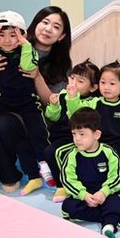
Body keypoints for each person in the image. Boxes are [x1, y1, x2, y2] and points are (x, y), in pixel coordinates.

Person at [0, 6, 72, 193]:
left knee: (4, 122)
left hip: (36, 113)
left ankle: (10, 176)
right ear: (34, 25)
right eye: (45, 22)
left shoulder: (61, 65)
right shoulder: (8, 45)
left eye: (56, 26)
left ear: (61, 36)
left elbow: (51, 103)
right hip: (7, 103)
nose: (48, 28)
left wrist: (37, 76)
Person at [0, 11, 52, 191]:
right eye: (2, 35)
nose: (7, 40)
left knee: (38, 130)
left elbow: (28, 66)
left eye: (13, 35)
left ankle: (44, 164)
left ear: (22, 35)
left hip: (27, 102)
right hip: (3, 101)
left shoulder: (27, 50)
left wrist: (25, 44)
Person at [59, 107, 120, 238]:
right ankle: (106, 216)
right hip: (84, 196)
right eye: (74, 134)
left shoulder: (109, 152)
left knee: (116, 203)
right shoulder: (72, 155)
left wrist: (104, 192)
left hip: (105, 195)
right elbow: (67, 179)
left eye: (82, 134)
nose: (77, 139)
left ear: (96, 135)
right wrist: (83, 195)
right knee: (67, 206)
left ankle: (108, 227)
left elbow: (117, 176)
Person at [66, 61, 120, 162]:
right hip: (95, 149)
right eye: (103, 82)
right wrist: (72, 97)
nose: (106, 87)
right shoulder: (94, 102)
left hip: (118, 152)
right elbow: (76, 115)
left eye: (112, 83)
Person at [44, 59, 100, 203]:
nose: (74, 83)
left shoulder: (93, 101)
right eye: (73, 78)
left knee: (53, 152)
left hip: (74, 138)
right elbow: (52, 117)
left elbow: (77, 117)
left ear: (93, 87)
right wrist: (53, 106)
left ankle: (62, 185)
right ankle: (44, 170)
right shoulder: (63, 94)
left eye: (80, 81)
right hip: (58, 135)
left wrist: (73, 97)